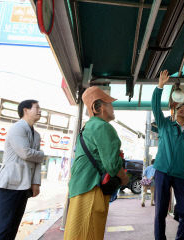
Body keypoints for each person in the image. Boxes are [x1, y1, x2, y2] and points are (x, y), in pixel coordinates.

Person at [64, 86, 129, 240]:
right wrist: (124, 178)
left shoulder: (87, 128)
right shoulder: (103, 127)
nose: (113, 108)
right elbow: (112, 165)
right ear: (97, 107)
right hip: (91, 190)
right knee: (89, 234)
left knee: (76, 233)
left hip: (80, 187)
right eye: (110, 104)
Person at [152, 70, 184, 240]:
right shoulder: (165, 124)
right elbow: (155, 107)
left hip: (181, 175)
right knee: (160, 211)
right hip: (162, 172)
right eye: (180, 107)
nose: (182, 109)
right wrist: (160, 87)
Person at [0, 100, 44, 240]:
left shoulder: (37, 135)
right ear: (25, 110)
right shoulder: (17, 128)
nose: (40, 110)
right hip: (10, 184)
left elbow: (36, 162)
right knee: (3, 228)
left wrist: (36, 183)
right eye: (36, 108)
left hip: (24, 186)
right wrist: (42, 154)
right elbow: (25, 153)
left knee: (13, 227)